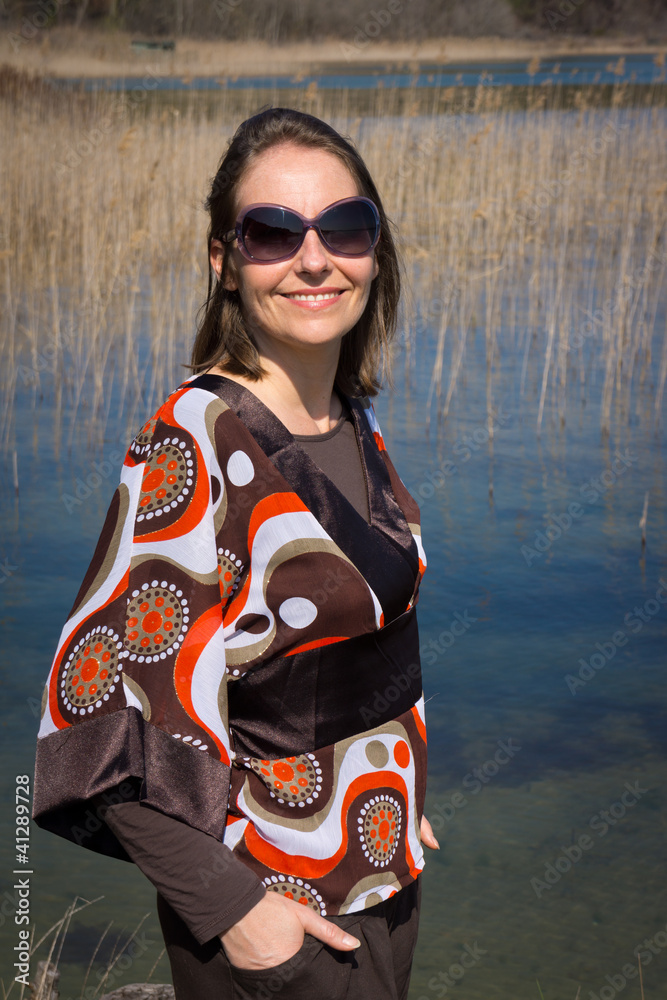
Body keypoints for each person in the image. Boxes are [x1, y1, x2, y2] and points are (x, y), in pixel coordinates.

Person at [33, 107, 438, 1000]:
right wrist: (239, 915)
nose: (314, 259)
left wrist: (398, 782)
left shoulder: (351, 417)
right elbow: (90, 712)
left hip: (384, 874)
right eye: (273, 233)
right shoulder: (194, 441)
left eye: (344, 226)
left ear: (375, 249)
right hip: (276, 918)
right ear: (223, 260)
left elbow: (355, 645)